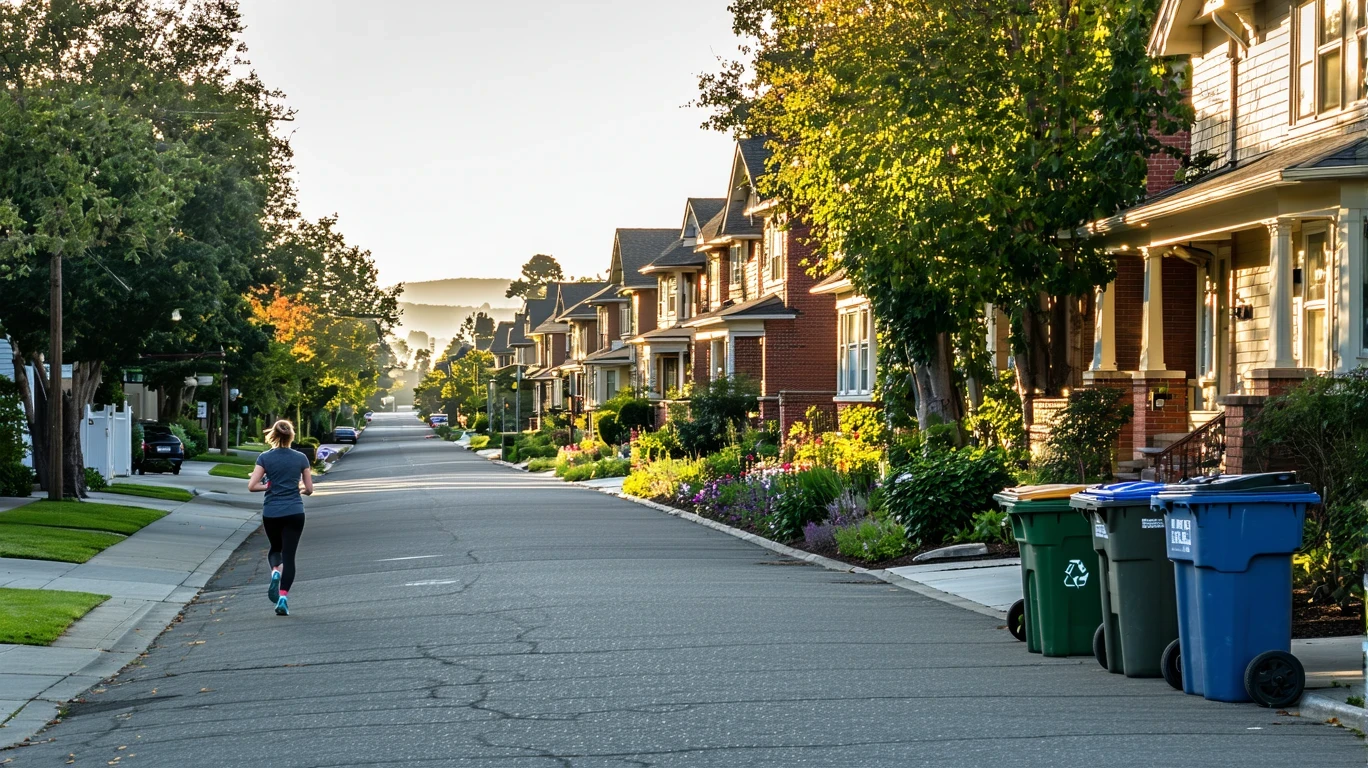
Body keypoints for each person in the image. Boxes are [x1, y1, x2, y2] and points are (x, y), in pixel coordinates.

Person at [247, 420, 314, 616]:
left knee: (275, 549)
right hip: (294, 511)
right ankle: (283, 597)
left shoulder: (265, 458)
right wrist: (299, 489)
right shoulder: (301, 458)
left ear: (273, 435)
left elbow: (252, 486)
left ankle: (275, 571)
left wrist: (268, 486)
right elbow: (309, 489)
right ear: (291, 435)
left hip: (272, 513)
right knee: (290, 556)